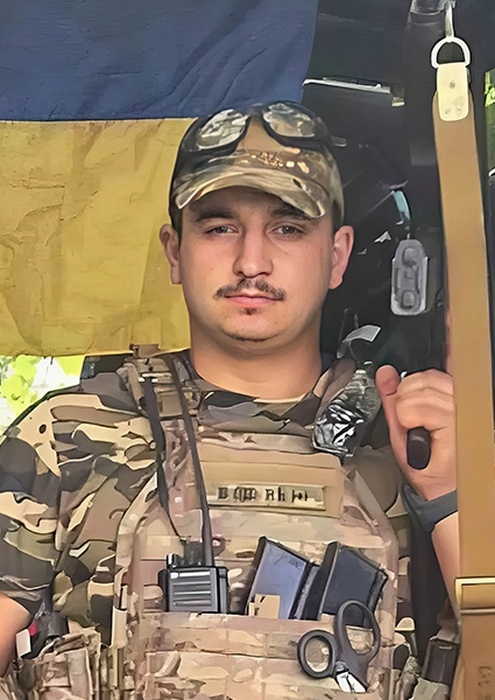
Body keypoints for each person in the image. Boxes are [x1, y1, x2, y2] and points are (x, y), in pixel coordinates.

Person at [0, 102, 458, 697]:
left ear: (338, 255)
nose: (251, 261)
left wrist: (450, 499)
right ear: (174, 251)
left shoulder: (418, 441)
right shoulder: (66, 435)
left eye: (288, 228)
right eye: (219, 227)